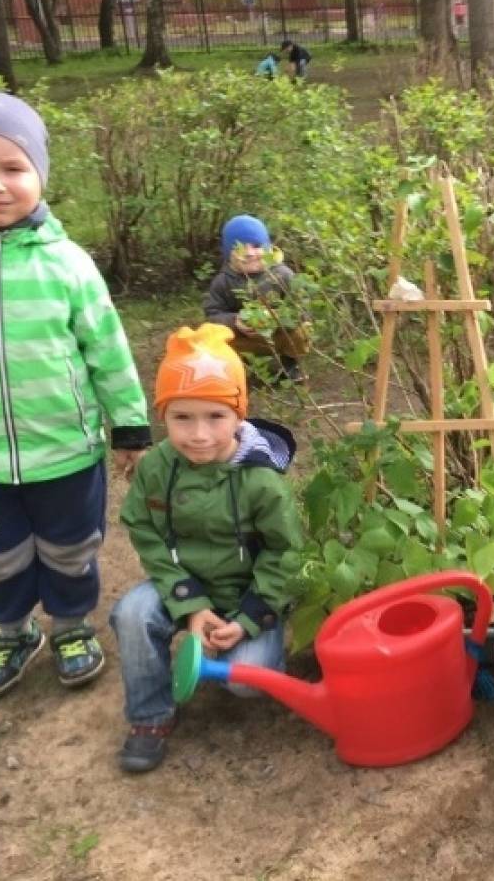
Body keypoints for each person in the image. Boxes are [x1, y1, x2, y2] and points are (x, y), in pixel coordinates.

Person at [0, 91, 151, 701]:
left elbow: (108, 348)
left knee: (72, 548)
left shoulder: (67, 263)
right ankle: (13, 630)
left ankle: (73, 626)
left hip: (66, 452)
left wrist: (129, 427)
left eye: (13, 168)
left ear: (39, 176)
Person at [110, 323, 303, 773]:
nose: (199, 434)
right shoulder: (157, 466)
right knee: (132, 613)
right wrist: (189, 603)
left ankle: (252, 640)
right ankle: (149, 717)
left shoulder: (261, 480)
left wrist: (253, 615)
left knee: (247, 684)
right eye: (182, 418)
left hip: (246, 592)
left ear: (240, 415)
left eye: (215, 417)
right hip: (184, 583)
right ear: (163, 417)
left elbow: (286, 554)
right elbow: (143, 527)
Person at [204, 214, 310, 384]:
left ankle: (291, 365)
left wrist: (278, 317)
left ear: (268, 247)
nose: (250, 253)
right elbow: (212, 315)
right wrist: (235, 321)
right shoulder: (223, 281)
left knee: (301, 330)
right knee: (213, 336)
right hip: (244, 338)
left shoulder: (282, 275)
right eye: (239, 248)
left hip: (279, 335)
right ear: (228, 253)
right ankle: (238, 366)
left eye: (256, 246)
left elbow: (303, 310)